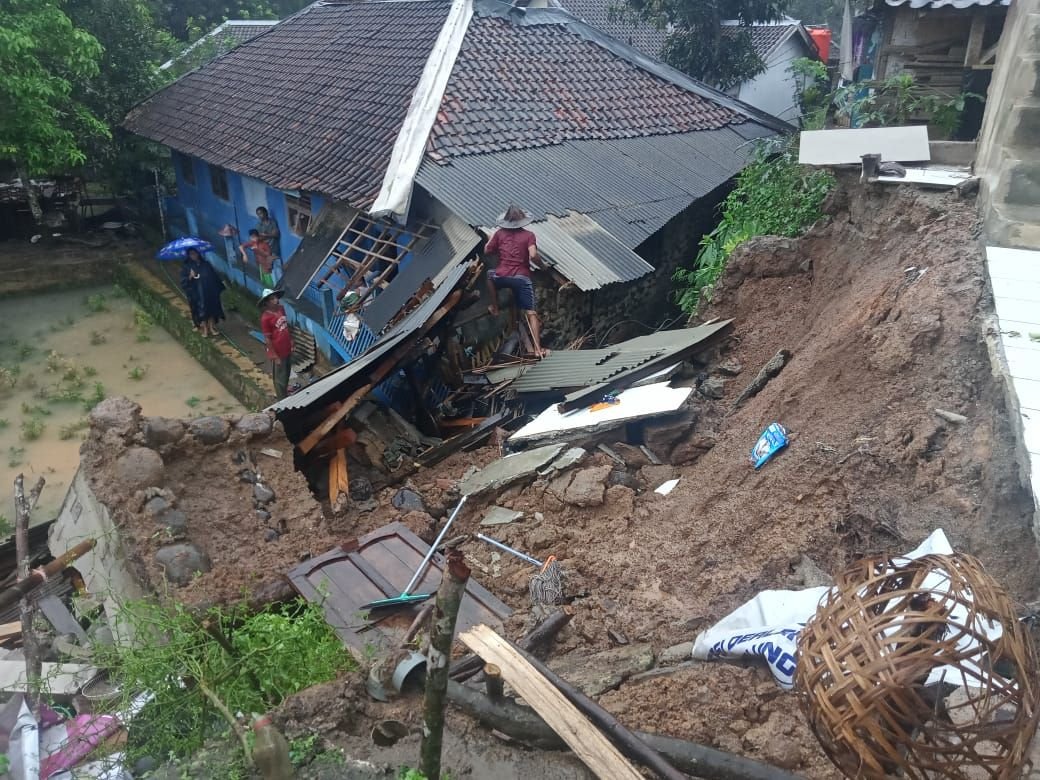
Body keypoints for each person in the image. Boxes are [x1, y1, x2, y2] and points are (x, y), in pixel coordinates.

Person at [485, 205, 549, 357]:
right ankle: (538, 349)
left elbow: (487, 250)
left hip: (501, 276)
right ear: (523, 221)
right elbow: (533, 255)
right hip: (521, 278)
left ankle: (495, 307)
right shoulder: (529, 235)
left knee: (489, 275)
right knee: (531, 313)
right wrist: (543, 266)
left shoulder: (499, 234)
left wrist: (495, 243)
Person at [181, 248, 225, 337]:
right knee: (202, 311)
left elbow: (213, 276)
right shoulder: (187, 267)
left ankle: (212, 327)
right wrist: (190, 276)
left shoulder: (206, 264)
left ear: (198, 253)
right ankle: (205, 329)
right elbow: (184, 281)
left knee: (212, 309)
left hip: (209, 290)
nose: (194, 256)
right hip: (197, 293)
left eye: (195, 253)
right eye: (191, 254)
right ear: (189, 256)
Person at [259, 288, 294, 399]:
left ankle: (285, 392)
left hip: (286, 346)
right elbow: (267, 339)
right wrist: (274, 355)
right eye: (272, 299)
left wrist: (292, 342)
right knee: (279, 377)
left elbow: (286, 326)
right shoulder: (265, 318)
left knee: (287, 372)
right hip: (277, 350)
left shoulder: (281, 309)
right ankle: (281, 398)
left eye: (275, 298)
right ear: (267, 302)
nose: (275, 300)